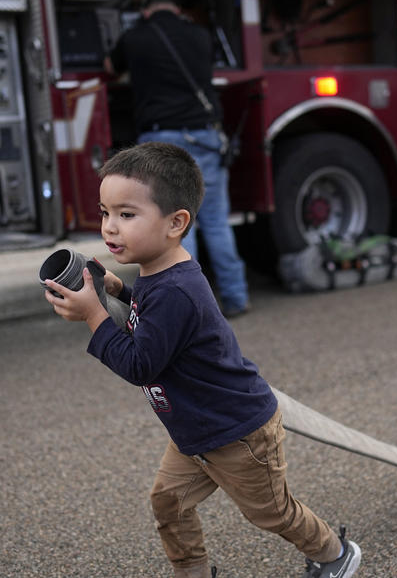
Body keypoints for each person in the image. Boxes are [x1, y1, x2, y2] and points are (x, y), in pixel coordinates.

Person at [44, 142, 360, 578]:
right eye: (105, 213)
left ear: (176, 223)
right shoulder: (157, 273)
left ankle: (335, 553)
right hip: (195, 430)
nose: (110, 228)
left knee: (272, 512)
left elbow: (140, 364)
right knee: (168, 502)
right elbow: (154, 324)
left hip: (237, 434)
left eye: (126, 214)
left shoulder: (176, 289)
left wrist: (94, 316)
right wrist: (120, 292)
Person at [104, 0, 251, 318]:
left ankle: (190, 309)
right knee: (216, 222)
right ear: (178, 10)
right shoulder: (199, 35)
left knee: (177, 228)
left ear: (145, 12)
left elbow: (109, 67)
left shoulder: (135, 37)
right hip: (206, 136)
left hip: (162, 143)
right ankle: (236, 296)